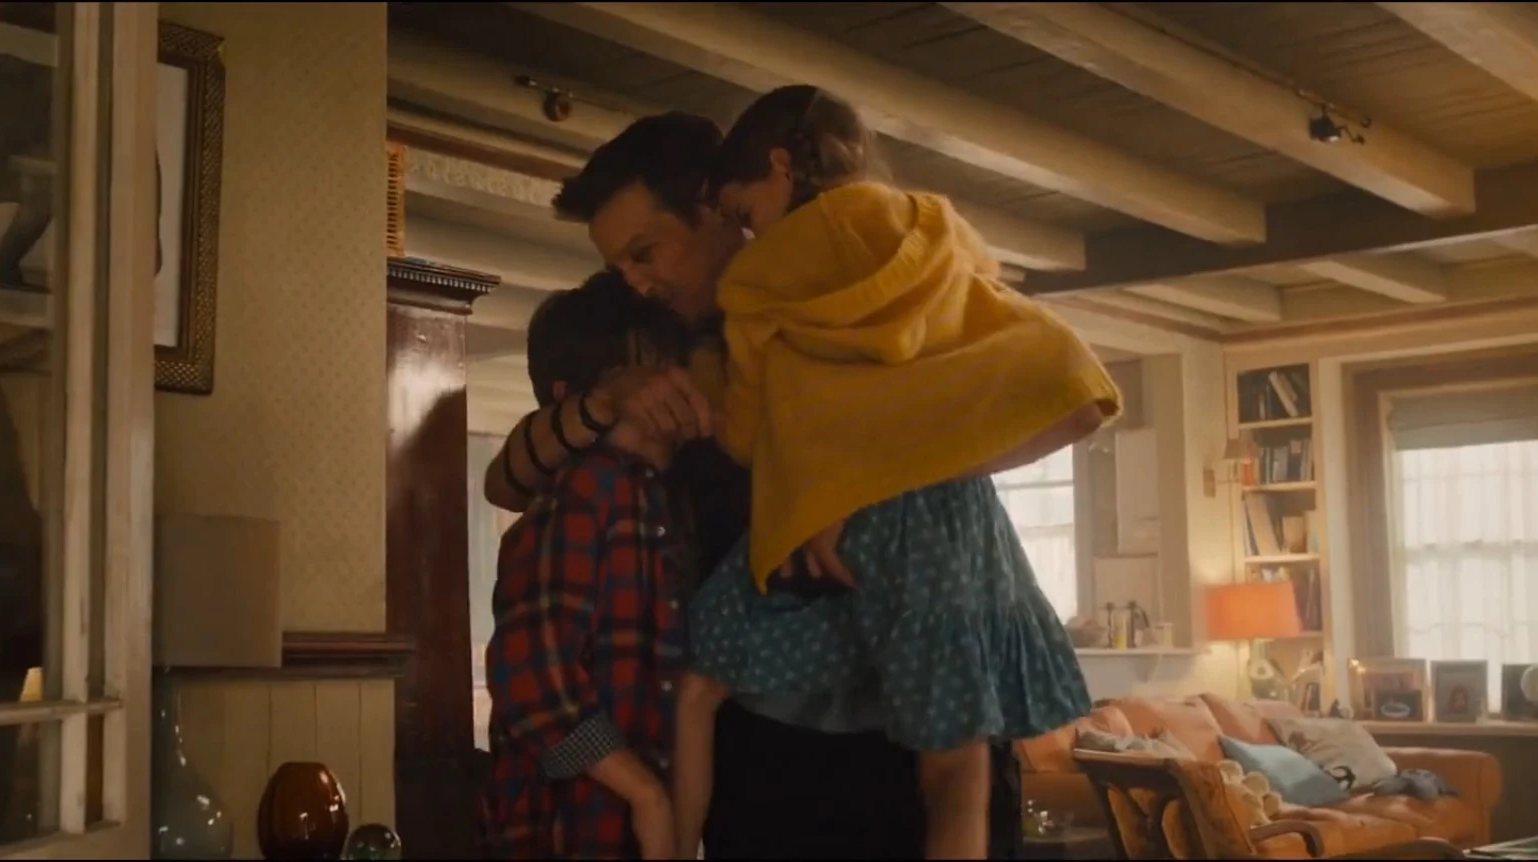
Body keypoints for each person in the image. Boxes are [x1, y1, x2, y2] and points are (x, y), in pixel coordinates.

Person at [480, 111, 1033, 858]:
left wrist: (845, 488)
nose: (637, 281)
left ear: (716, 211)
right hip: (761, 763)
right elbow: (509, 482)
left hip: (909, 734)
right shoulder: (672, 358)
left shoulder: (860, 313)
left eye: (647, 251)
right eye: (621, 267)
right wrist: (602, 402)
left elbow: (1018, 416)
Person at [666, 84, 1115, 859]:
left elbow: (746, 436)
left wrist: (711, 379)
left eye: (746, 211)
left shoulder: (762, 280)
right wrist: (926, 462)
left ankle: (671, 848)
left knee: (702, 680)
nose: (748, 231)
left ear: (781, 167)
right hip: (950, 531)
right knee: (956, 764)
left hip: (836, 527)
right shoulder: (938, 249)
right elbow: (1075, 393)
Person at [478, 272, 701, 860]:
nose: (670, 395)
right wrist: (644, 794)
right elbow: (529, 673)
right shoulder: (590, 487)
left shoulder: (661, 494)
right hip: (569, 826)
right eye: (646, 379)